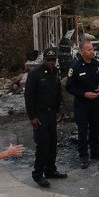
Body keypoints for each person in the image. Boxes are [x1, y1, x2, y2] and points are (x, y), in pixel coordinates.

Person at [25, 47, 67, 187]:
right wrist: (32, 116)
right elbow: (28, 96)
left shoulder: (55, 72)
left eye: (53, 60)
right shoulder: (35, 74)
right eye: (48, 60)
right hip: (40, 113)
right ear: (44, 59)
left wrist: (58, 110)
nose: (51, 62)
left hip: (51, 113)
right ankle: (38, 174)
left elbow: (57, 92)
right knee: (43, 145)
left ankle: (50, 170)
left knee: (52, 143)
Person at [66, 40, 99, 169]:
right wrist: (83, 94)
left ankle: (95, 152)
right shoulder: (76, 67)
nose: (92, 51)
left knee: (95, 128)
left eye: (92, 49)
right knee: (82, 131)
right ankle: (83, 155)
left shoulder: (96, 64)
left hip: (95, 103)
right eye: (89, 50)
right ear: (82, 51)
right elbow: (69, 87)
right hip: (82, 104)